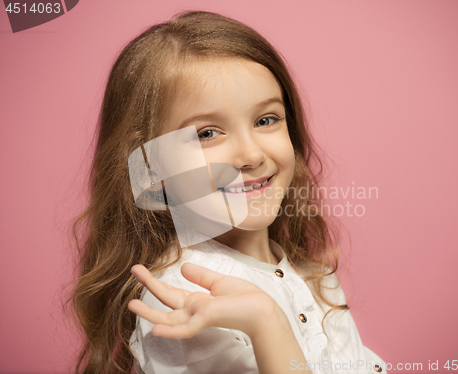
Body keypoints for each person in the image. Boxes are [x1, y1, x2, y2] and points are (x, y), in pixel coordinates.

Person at [70, 10, 387, 374]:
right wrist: (266, 321)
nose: (251, 155)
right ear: (150, 167)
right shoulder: (183, 301)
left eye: (266, 120)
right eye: (207, 133)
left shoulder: (312, 275)